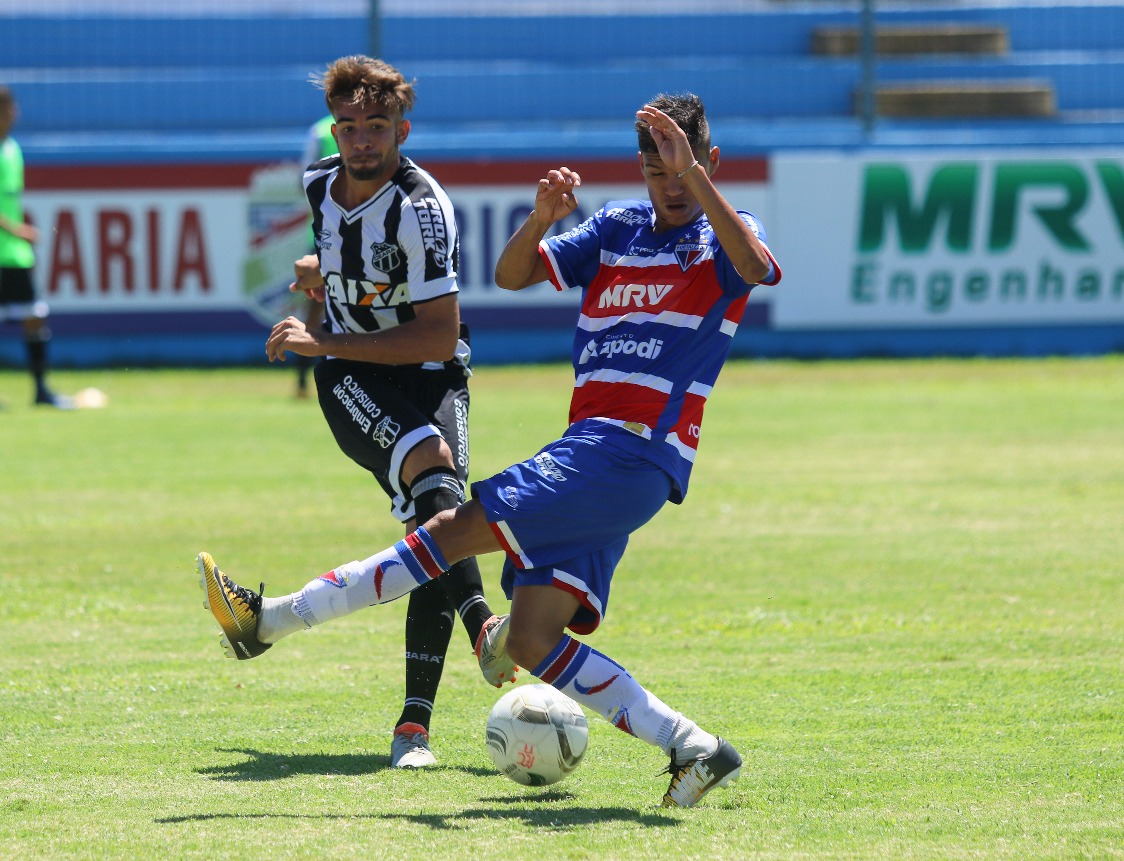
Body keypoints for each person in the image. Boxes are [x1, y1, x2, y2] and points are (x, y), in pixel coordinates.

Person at [200, 92, 782, 808]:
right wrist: (541, 218)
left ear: (707, 162)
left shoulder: (724, 235)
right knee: (533, 637)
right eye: (654, 166)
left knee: (448, 530)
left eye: (679, 165)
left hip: (625, 452)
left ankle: (270, 620)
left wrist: (694, 178)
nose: (666, 180)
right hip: (596, 454)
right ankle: (694, 746)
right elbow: (513, 275)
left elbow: (754, 268)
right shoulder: (616, 228)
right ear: (638, 168)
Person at [206, 55, 502, 769]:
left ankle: (409, 712)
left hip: (434, 373)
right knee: (436, 489)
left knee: (439, 520)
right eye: (349, 127)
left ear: (403, 127)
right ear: (332, 129)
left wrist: (323, 329)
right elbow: (341, 249)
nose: (362, 140)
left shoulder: (421, 208)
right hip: (349, 379)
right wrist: (325, 277)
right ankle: (472, 643)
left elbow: (436, 331)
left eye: (376, 126)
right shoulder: (320, 186)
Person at [0, 85, 69, 409]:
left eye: (10, 107)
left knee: (35, 315)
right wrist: (17, 229)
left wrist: (18, 235)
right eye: (0, 108)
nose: (7, 113)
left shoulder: (12, 149)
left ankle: (40, 389)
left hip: (14, 252)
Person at [292, 115, 340, 399]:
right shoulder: (323, 132)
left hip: (337, 234)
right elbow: (305, 181)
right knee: (315, 304)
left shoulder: (319, 133)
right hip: (326, 237)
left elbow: (303, 181)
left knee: (317, 308)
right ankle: (302, 378)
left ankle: (305, 380)